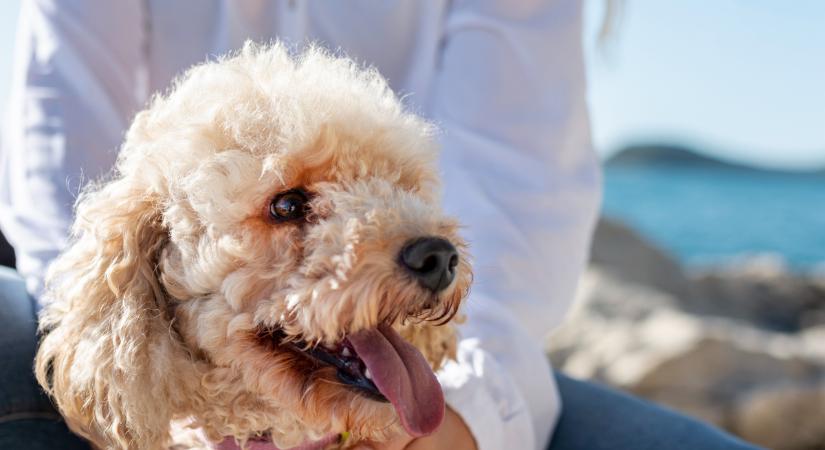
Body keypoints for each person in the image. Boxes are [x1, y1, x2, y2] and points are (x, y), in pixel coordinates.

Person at [0, 1, 762, 449]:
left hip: (459, 359)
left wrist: (462, 421)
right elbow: (58, 158)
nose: (411, 240)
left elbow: (520, 202)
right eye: (291, 208)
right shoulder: (136, 252)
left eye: (398, 190)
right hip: (102, 308)